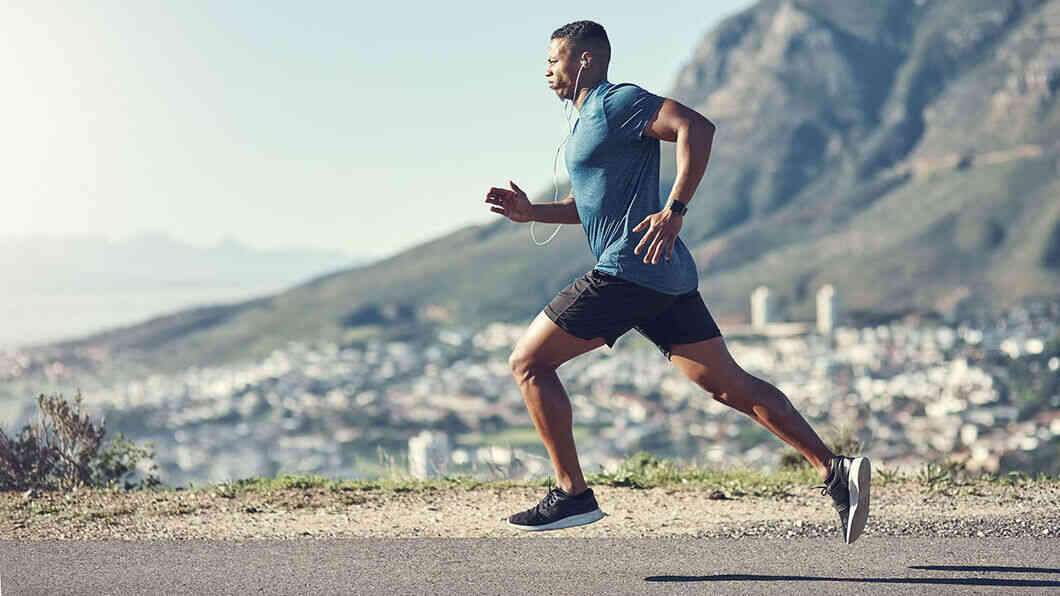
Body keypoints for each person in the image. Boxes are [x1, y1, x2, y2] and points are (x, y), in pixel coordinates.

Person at [484, 20, 870, 544]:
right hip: (662, 277)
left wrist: (675, 209)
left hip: (629, 270)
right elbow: (587, 207)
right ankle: (834, 470)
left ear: (585, 61)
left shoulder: (617, 102)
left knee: (528, 363)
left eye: (554, 59)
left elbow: (697, 127)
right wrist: (533, 212)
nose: (546, 69)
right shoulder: (585, 125)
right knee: (727, 384)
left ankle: (572, 493)